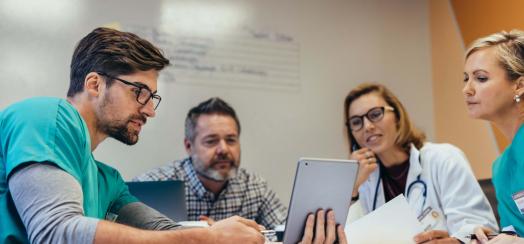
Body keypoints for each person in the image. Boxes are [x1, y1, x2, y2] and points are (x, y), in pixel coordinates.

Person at [0, 27, 345, 244]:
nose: (150, 110)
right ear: (94, 84)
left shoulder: (107, 180)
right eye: (140, 92)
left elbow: (166, 232)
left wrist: (224, 234)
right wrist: (209, 240)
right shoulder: (46, 116)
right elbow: (56, 233)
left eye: (153, 97)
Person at [344, 83, 498, 243]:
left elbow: (481, 229)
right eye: (356, 122)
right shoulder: (363, 183)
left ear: (397, 116)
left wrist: (457, 241)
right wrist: (352, 187)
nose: (367, 126)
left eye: (375, 114)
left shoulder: (444, 159)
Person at [134, 97, 287, 229]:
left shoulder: (254, 186)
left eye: (231, 140)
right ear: (189, 146)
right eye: (211, 141)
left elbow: (287, 234)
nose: (223, 149)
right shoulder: (152, 185)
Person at [463, 30, 524, 243]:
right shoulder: (501, 168)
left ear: (519, 85)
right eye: (466, 79)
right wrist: (493, 238)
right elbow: (514, 231)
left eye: (480, 78)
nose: (466, 89)